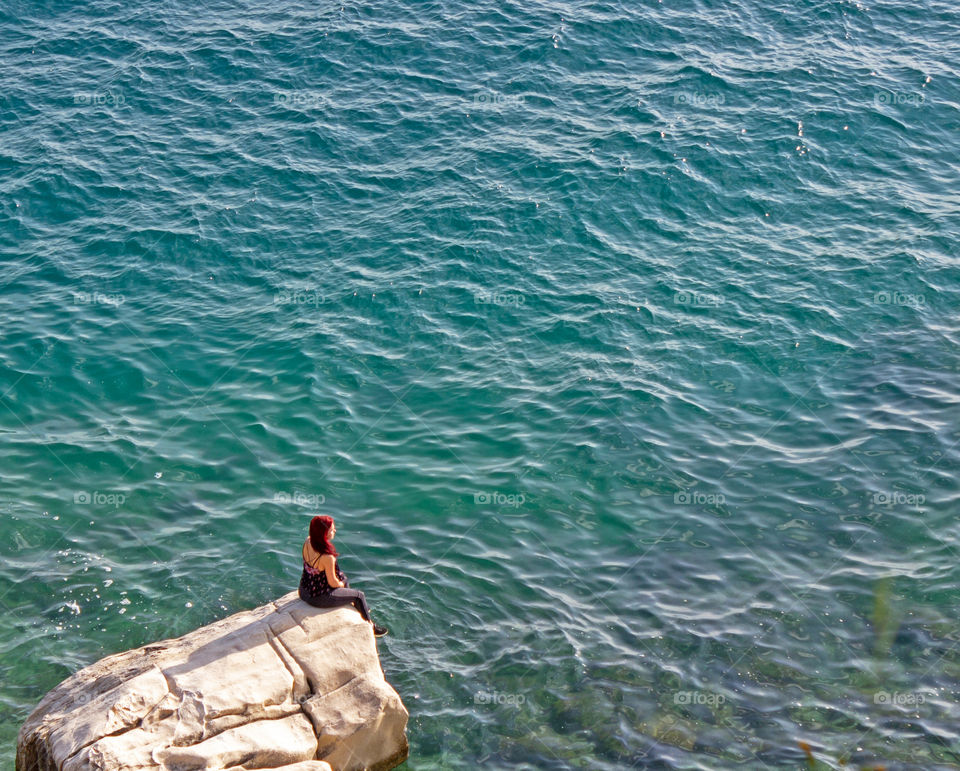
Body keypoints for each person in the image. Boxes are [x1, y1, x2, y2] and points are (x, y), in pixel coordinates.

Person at [299, 514, 388, 637]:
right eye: (332, 529)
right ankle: (371, 627)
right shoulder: (327, 557)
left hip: (304, 591)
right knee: (359, 595)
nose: (335, 530)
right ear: (324, 533)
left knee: (342, 577)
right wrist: (340, 584)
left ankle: (353, 604)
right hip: (317, 598)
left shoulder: (308, 541)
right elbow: (333, 583)